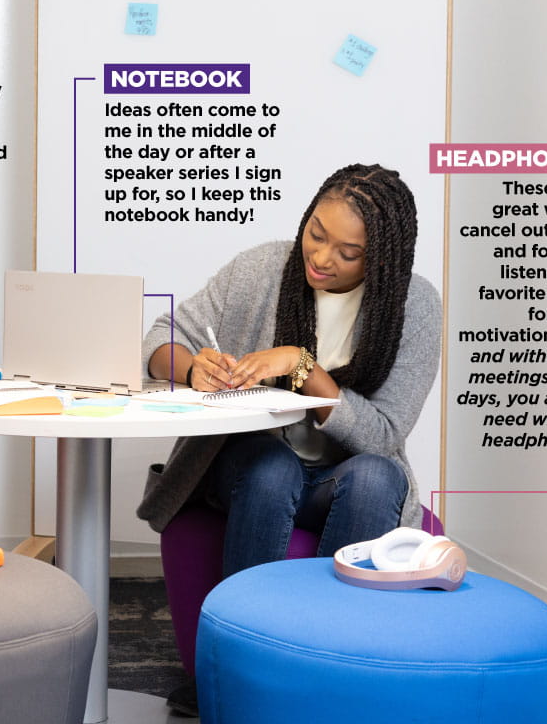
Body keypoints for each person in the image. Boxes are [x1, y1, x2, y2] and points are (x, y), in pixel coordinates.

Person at [137, 163, 442, 716]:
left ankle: (325, 666)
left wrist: (303, 368)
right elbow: (160, 337)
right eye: (316, 234)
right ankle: (235, 667)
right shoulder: (262, 269)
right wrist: (190, 367)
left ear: (383, 261)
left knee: (380, 476)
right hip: (250, 466)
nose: (322, 258)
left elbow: (384, 437)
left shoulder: (414, 308)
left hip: (342, 479)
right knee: (271, 467)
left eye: (348, 253)